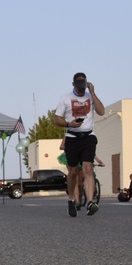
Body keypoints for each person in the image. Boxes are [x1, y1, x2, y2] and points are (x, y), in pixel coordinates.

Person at [53, 72, 105, 217]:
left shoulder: (90, 96)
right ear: (73, 84)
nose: (81, 86)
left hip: (88, 136)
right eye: (79, 83)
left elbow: (101, 111)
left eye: (84, 83)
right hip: (72, 137)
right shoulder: (65, 98)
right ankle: (71, 199)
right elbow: (56, 119)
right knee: (74, 171)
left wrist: (93, 93)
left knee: (88, 169)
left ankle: (89, 202)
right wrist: (69, 123)